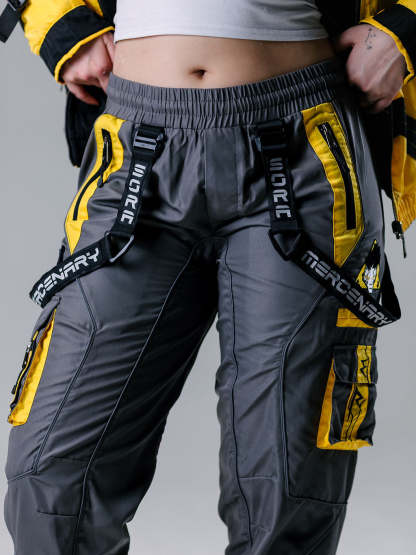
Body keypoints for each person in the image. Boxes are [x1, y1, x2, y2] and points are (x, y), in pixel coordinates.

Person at [2, 1, 415, 553]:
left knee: (285, 485)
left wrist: (404, 30)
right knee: (51, 481)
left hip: (302, 144)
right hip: (137, 146)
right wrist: (59, 20)